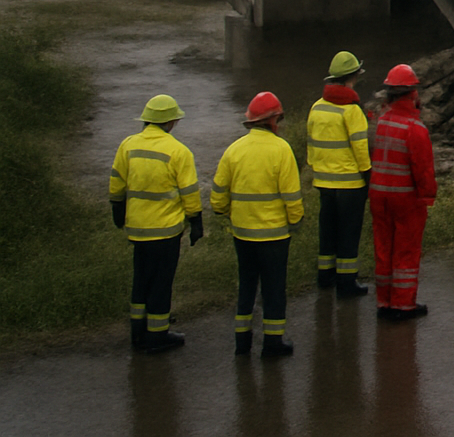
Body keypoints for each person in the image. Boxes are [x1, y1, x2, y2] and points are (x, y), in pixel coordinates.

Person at [212, 91, 304, 357]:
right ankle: (273, 344)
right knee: (274, 289)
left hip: (242, 235)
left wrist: (228, 213)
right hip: (274, 237)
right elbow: (291, 196)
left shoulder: (234, 150)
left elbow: (218, 197)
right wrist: (295, 220)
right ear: (274, 119)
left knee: (246, 286)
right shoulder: (281, 149)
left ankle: (242, 343)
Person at [108, 94, 203, 353]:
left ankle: (137, 332)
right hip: (165, 232)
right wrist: (196, 221)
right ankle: (158, 335)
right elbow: (189, 192)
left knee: (141, 279)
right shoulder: (179, 151)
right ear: (170, 122)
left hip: (138, 230)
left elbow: (116, 182)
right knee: (161, 283)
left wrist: (117, 209)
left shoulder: (128, 145)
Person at [371, 64, 437, 322]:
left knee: (383, 248)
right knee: (406, 250)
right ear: (411, 93)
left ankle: (384, 301)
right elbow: (423, 169)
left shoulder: (381, 121)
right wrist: (428, 196)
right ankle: (403, 304)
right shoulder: (415, 128)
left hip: (378, 195)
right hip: (405, 198)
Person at [308, 51, 373, 298]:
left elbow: (311, 144)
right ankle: (347, 283)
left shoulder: (317, 107)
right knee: (348, 233)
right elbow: (360, 147)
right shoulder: (352, 110)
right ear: (352, 77)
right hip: (350, 184)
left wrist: (317, 169)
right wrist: (367, 174)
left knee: (327, 230)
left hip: (324, 182)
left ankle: (325, 276)